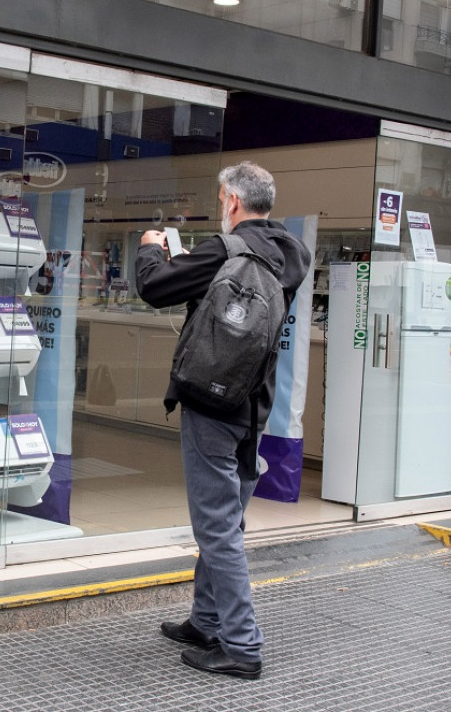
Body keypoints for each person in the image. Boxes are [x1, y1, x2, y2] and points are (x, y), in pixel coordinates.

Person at [134, 161, 311, 680]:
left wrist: (151, 246)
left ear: (232, 202)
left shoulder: (224, 250)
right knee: (227, 517)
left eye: (220, 200)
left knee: (217, 529)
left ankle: (242, 644)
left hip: (212, 404)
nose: (220, 208)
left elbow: (153, 287)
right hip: (257, 404)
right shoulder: (291, 254)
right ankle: (206, 619)